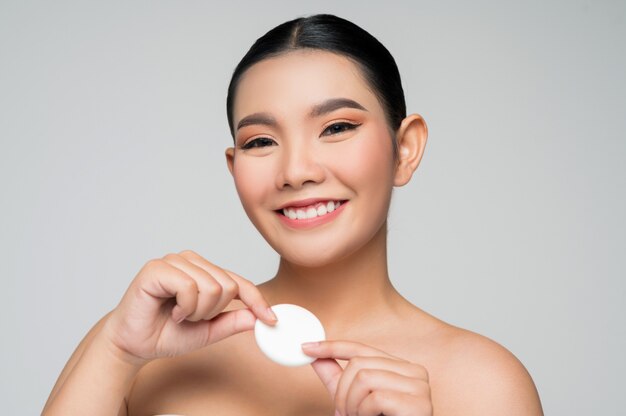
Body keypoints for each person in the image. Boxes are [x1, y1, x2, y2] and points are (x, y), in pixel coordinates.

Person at [43, 13, 543, 416]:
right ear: (234, 167)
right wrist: (115, 351)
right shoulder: (139, 349)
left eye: (337, 127)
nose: (296, 170)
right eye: (261, 141)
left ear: (405, 148)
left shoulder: (483, 383)